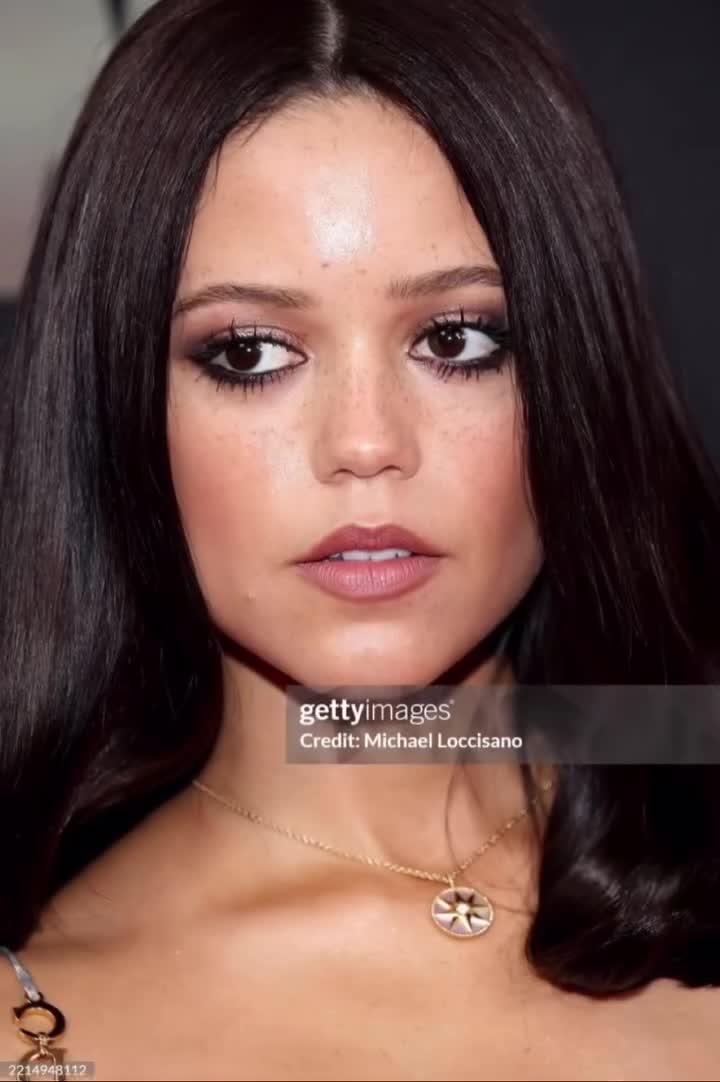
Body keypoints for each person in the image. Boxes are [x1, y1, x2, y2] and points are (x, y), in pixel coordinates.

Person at [1, 0, 719, 1077]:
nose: (367, 444)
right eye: (250, 352)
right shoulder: (36, 1030)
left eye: (457, 339)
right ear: (119, 407)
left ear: (575, 374)